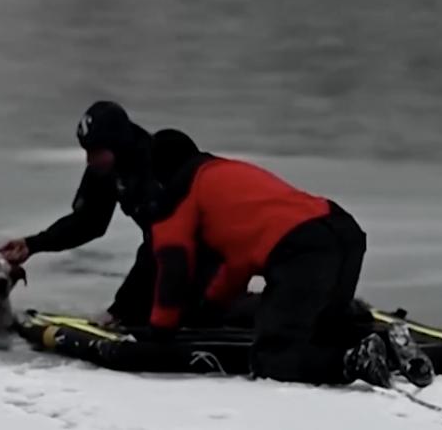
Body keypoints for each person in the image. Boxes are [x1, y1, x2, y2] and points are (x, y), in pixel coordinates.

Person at [146, 129, 392, 387]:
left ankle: (353, 362)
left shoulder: (178, 192)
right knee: (321, 329)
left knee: (272, 356)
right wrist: (212, 308)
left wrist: (162, 328)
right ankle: (386, 346)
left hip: (302, 248)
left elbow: (174, 264)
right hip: (342, 230)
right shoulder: (225, 171)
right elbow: (237, 265)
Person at [0, 102, 224, 327]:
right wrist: (32, 244)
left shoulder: (158, 165)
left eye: (95, 152)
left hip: (214, 248)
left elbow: (162, 243)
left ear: (118, 144)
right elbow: (88, 222)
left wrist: (120, 308)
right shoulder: (107, 168)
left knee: (165, 314)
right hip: (172, 253)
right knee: (141, 314)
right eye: (86, 151)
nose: (89, 160)